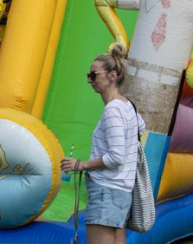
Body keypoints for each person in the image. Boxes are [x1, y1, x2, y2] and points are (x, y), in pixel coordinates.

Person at [60, 46, 145, 244]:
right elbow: (140, 126)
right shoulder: (127, 105)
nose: (90, 80)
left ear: (112, 76)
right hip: (122, 191)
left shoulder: (112, 110)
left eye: (93, 75)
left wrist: (81, 164)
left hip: (106, 191)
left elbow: (116, 157)